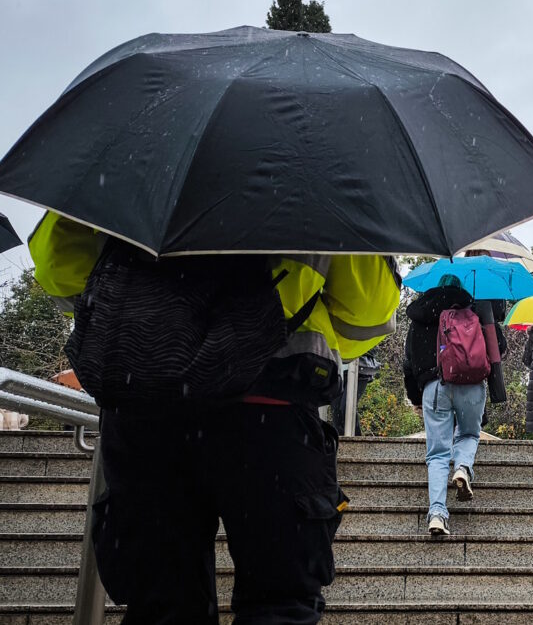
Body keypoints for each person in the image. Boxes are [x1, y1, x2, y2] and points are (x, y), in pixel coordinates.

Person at [29, 211, 401, 624]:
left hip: (146, 405)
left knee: (162, 604)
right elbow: (368, 310)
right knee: (280, 603)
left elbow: (59, 269)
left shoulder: (124, 158)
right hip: (268, 411)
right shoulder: (316, 178)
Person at [402, 275, 486, 536]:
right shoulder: (473, 311)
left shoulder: (420, 317)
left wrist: (417, 396)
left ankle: (437, 513)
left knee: (438, 453)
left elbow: (409, 363)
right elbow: (498, 349)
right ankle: (462, 467)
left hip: (434, 386)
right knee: (470, 433)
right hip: (471, 384)